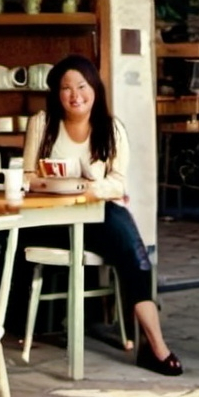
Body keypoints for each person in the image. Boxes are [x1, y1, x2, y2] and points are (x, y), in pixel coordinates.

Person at [21, 54, 182, 376]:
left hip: (97, 213)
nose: (75, 95)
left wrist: (84, 189)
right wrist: (64, 184)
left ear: (95, 88)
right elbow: (26, 177)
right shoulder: (42, 123)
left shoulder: (111, 129)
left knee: (133, 255)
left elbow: (118, 184)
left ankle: (155, 346)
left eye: (82, 85)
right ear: (56, 93)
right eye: (66, 88)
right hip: (50, 218)